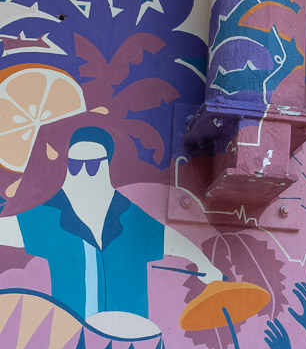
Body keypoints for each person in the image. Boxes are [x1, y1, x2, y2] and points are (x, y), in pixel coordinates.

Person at [0, 127, 222, 322]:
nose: (83, 173)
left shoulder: (128, 214)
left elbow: (168, 239)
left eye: (92, 165)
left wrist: (204, 264)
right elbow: (10, 229)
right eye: (75, 165)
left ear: (106, 166)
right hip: (72, 335)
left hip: (128, 338)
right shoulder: (51, 215)